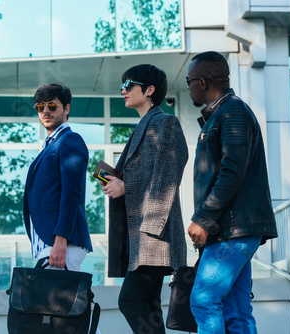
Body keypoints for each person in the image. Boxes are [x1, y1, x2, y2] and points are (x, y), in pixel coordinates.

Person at [186, 51, 278, 334]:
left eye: (189, 81)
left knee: (204, 300)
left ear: (202, 82)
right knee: (236, 310)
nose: (187, 86)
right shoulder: (221, 115)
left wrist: (203, 218)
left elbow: (232, 172)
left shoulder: (233, 111)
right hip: (228, 228)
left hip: (233, 228)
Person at [101, 64, 188, 334]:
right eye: (122, 86)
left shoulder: (165, 122)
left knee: (130, 300)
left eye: (129, 85)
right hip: (142, 236)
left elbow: (168, 175)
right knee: (148, 304)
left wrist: (126, 187)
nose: (123, 91)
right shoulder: (144, 126)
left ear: (149, 90)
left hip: (154, 234)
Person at [23, 83, 93, 270]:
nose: (45, 111)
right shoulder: (51, 145)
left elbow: (72, 194)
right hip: (50, 243)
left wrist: (61, 241)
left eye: (52, 105)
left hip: (61, 243)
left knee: (47, 299)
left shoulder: (70, 140)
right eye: (40, 106)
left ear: (67, 108)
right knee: (49, 299)